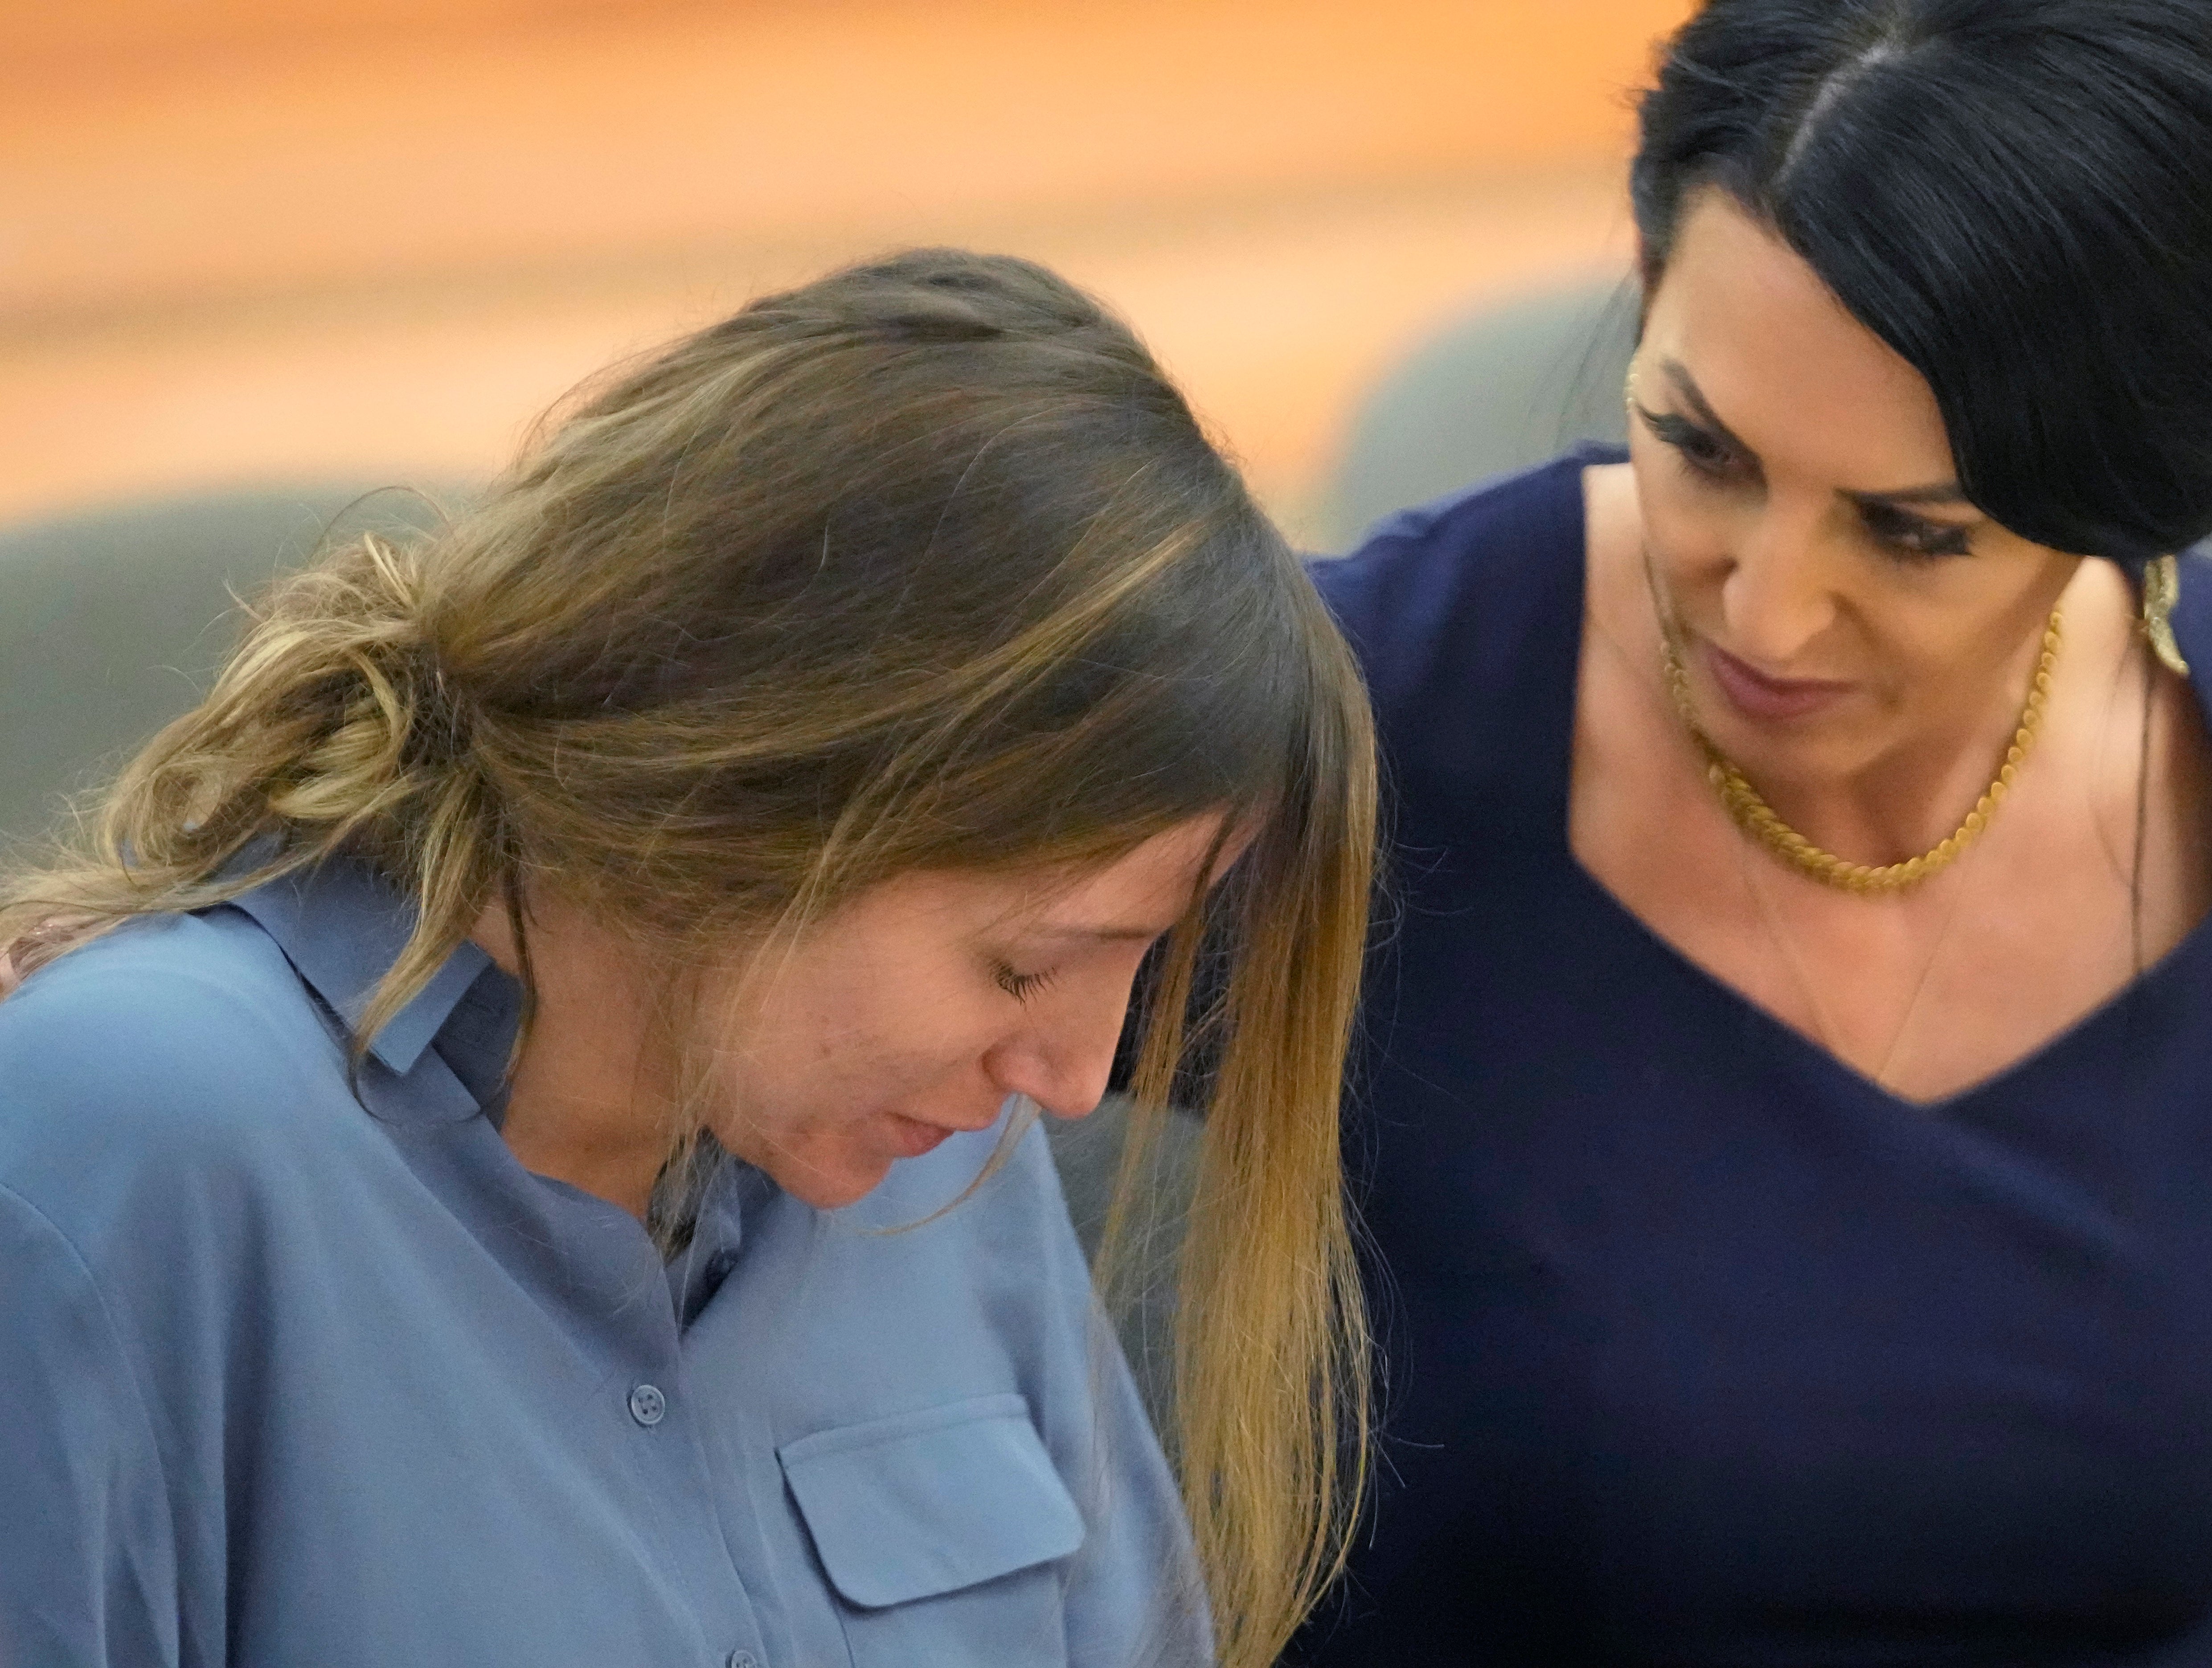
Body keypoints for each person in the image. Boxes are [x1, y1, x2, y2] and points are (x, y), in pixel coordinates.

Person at [1297, 1, 2212, 1662]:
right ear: (1646, 298)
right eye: (1703, 451)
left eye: (1913, 533)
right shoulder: (1347, 724)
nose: (1771, 614)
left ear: (2135, 502)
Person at [0, 249, 1373, 1668]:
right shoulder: (126, 1140)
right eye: (1023, 967)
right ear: (743, 792)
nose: (1075, 1079)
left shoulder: (933, 1145)